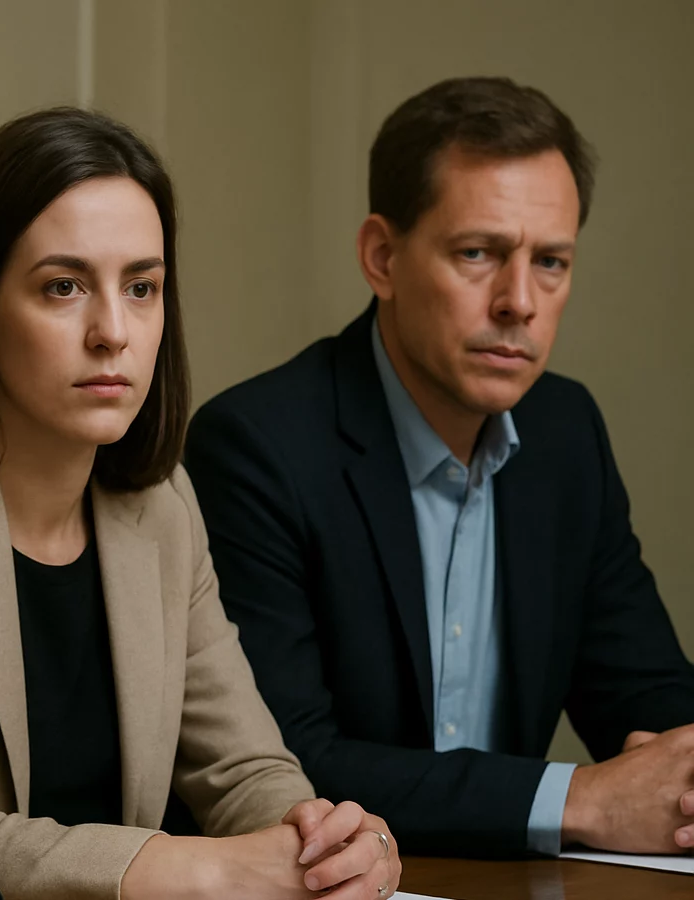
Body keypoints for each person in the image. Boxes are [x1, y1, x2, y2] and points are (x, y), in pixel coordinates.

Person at [0, 107, 401, 900]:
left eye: (141, 288)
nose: (112, 332)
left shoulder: (162, 507)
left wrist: (329, 842)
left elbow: (244, 769)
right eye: (63, 287)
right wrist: (189, 866)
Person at [184, 76, 694, 859]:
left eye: (551, 261)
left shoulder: (565, 433)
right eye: (477, 253)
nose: (519, 301)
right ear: (382, 258)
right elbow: (286, 764)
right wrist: (580, 798)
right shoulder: (256, 446)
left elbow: (647, 694)